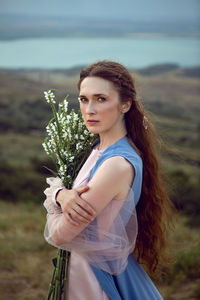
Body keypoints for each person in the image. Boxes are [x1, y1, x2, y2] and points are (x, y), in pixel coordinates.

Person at [43, 60, 173, 300]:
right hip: (80, 269)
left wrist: (54, 198)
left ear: (125, 104)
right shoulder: (96, 148)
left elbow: (60, 235)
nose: (89, 109)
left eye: (101, 99)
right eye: (84, 99)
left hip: (94, 279)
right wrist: (62, 195)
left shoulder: (115, 165)